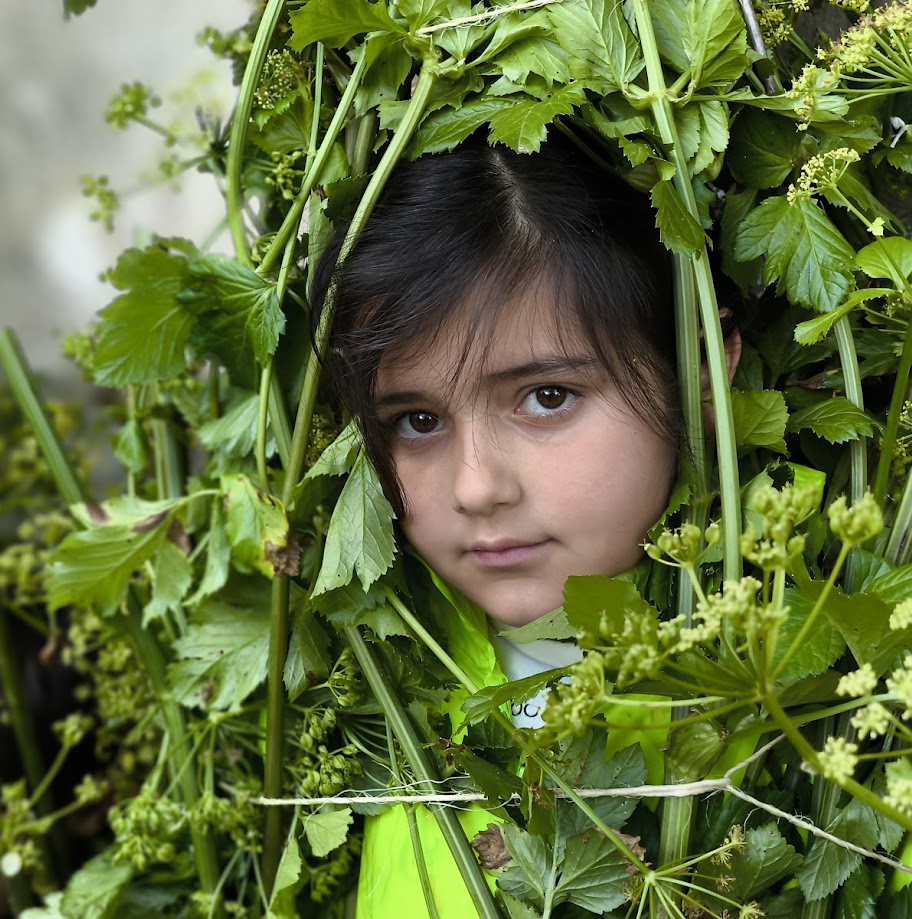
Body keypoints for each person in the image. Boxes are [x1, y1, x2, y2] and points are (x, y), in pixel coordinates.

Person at [315, 136, 737, 915]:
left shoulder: (830, 683)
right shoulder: (347, 693)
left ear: (701, 375)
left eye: (546, 397)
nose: (477, 487)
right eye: (414, 419)